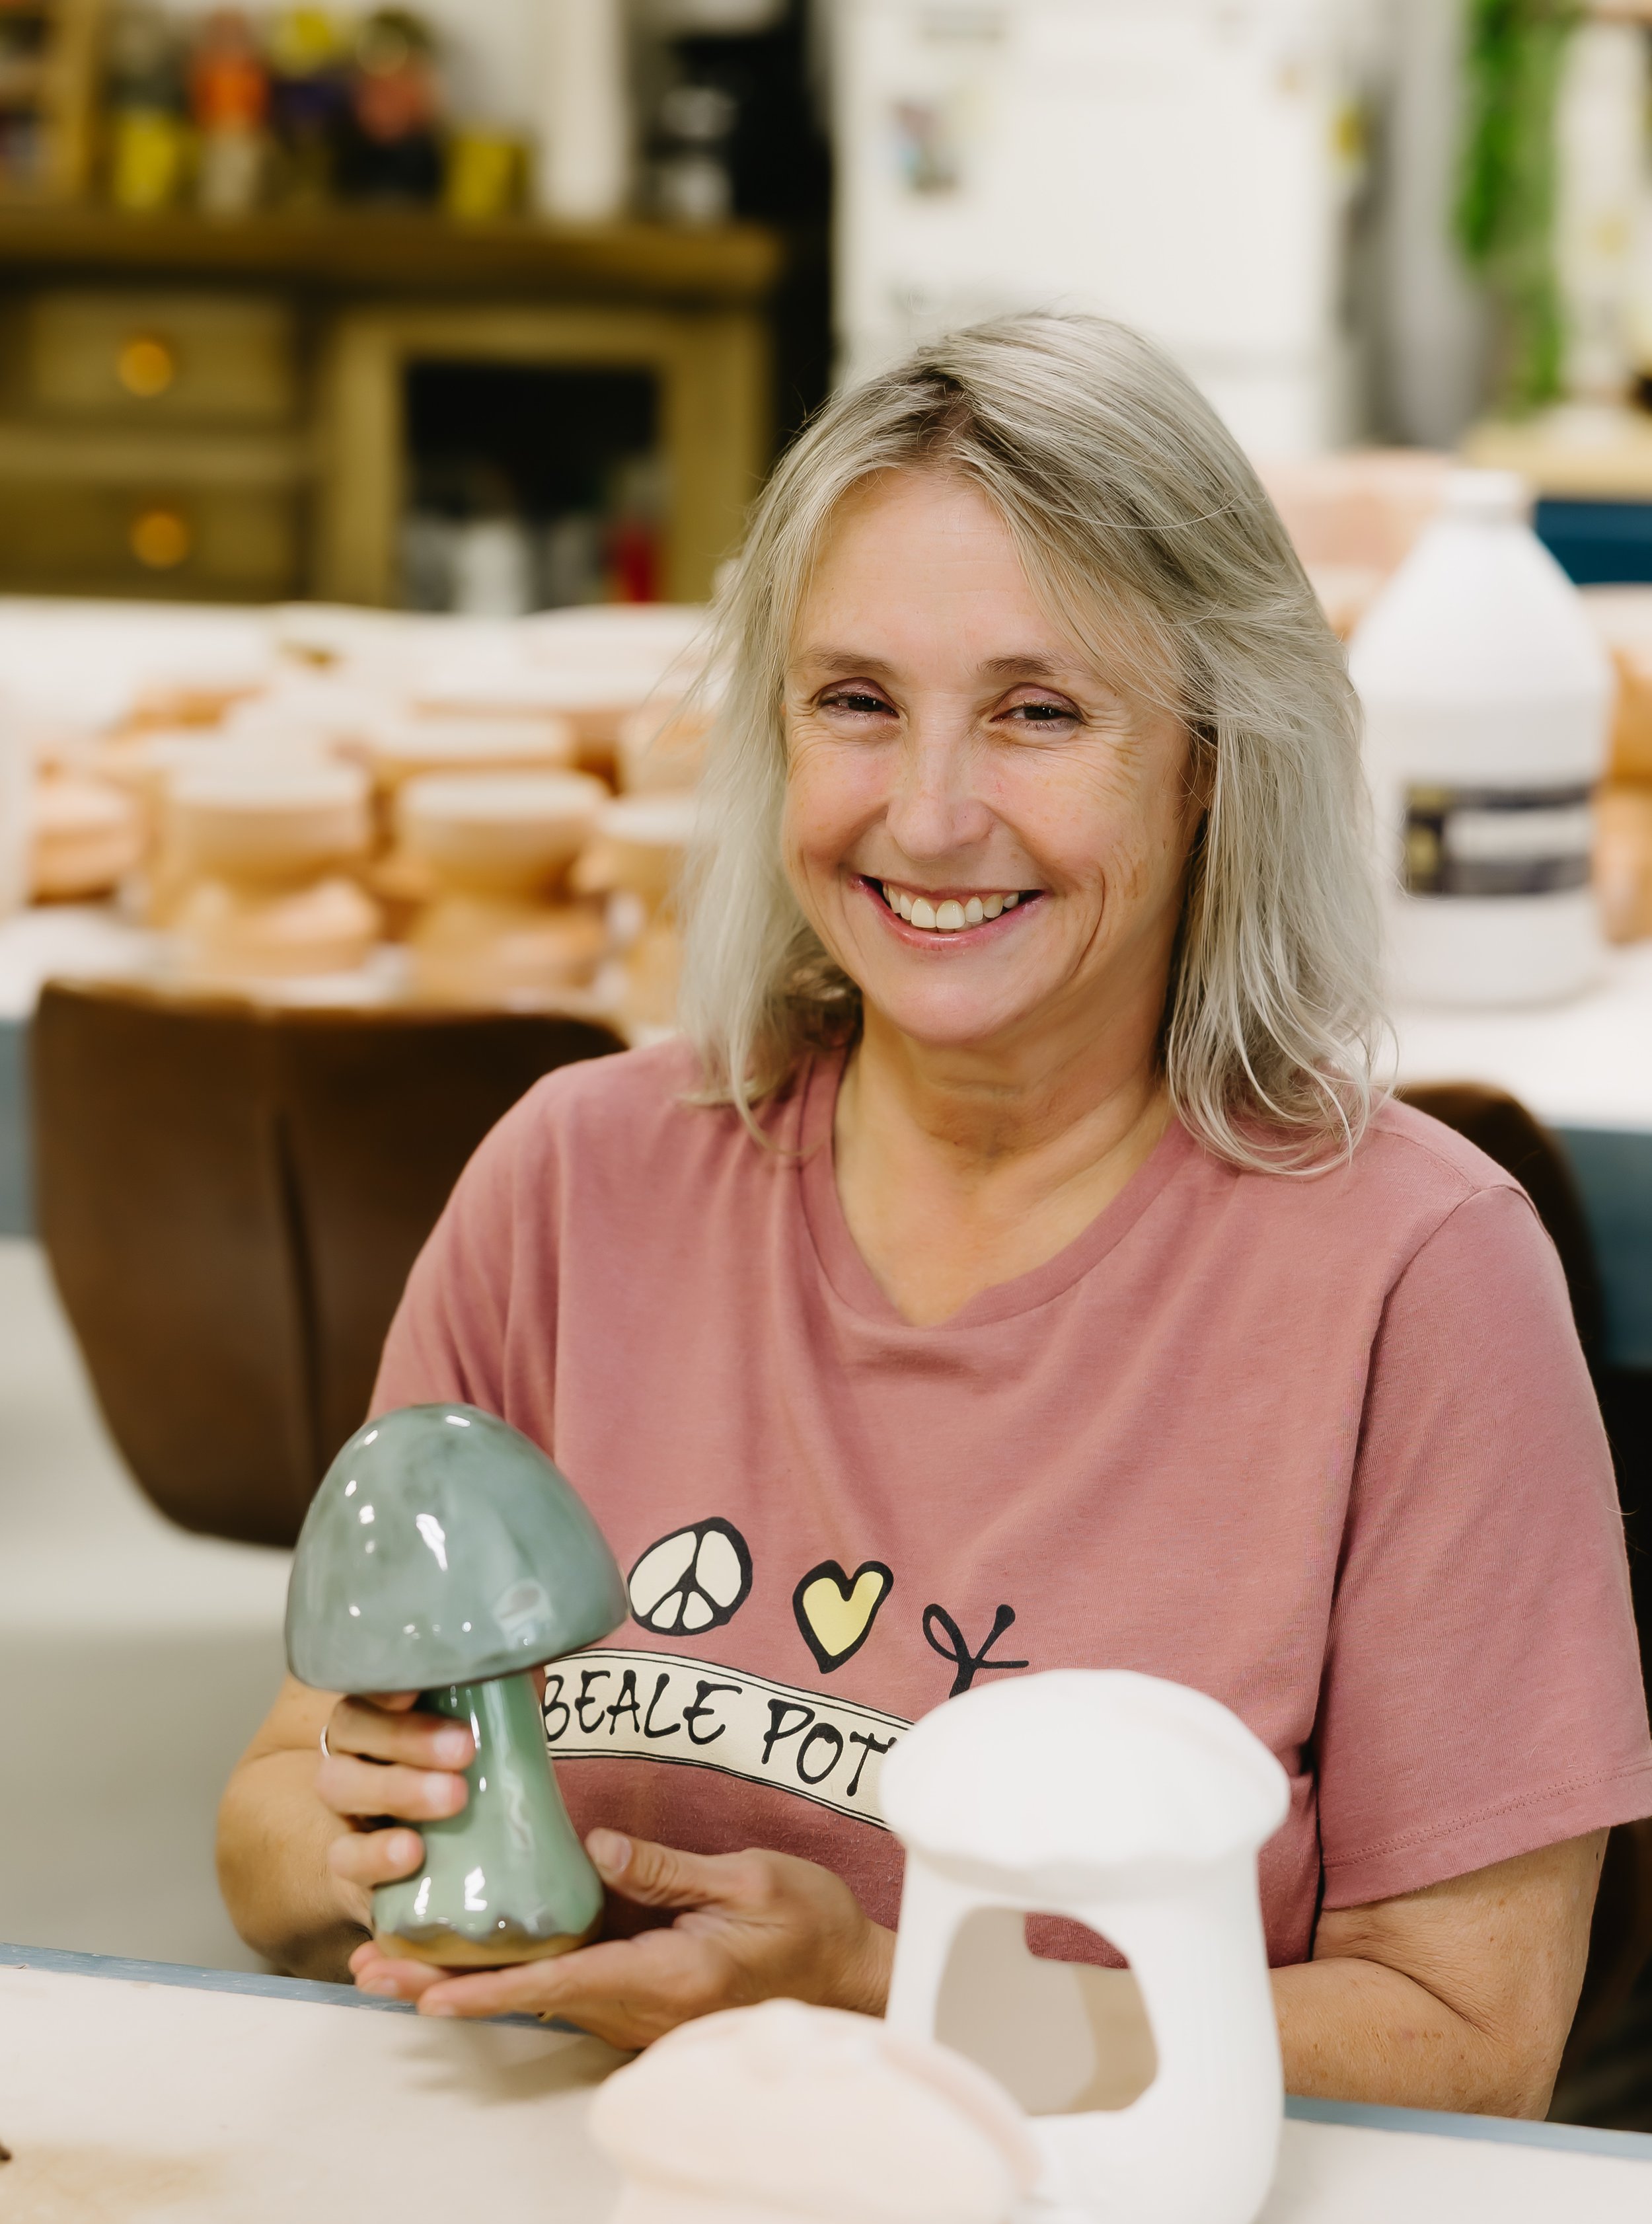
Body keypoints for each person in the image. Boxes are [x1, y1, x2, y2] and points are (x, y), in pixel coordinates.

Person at [219, 314, 1652, 2114]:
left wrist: (881, 2002)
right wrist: (344, 1841)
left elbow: (1470, 2044)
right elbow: (274, 1818)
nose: (929, 812)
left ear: (1211, 757)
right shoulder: (573, 1180)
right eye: (855, 703)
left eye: (1039, 712)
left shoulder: (1416, 1274)